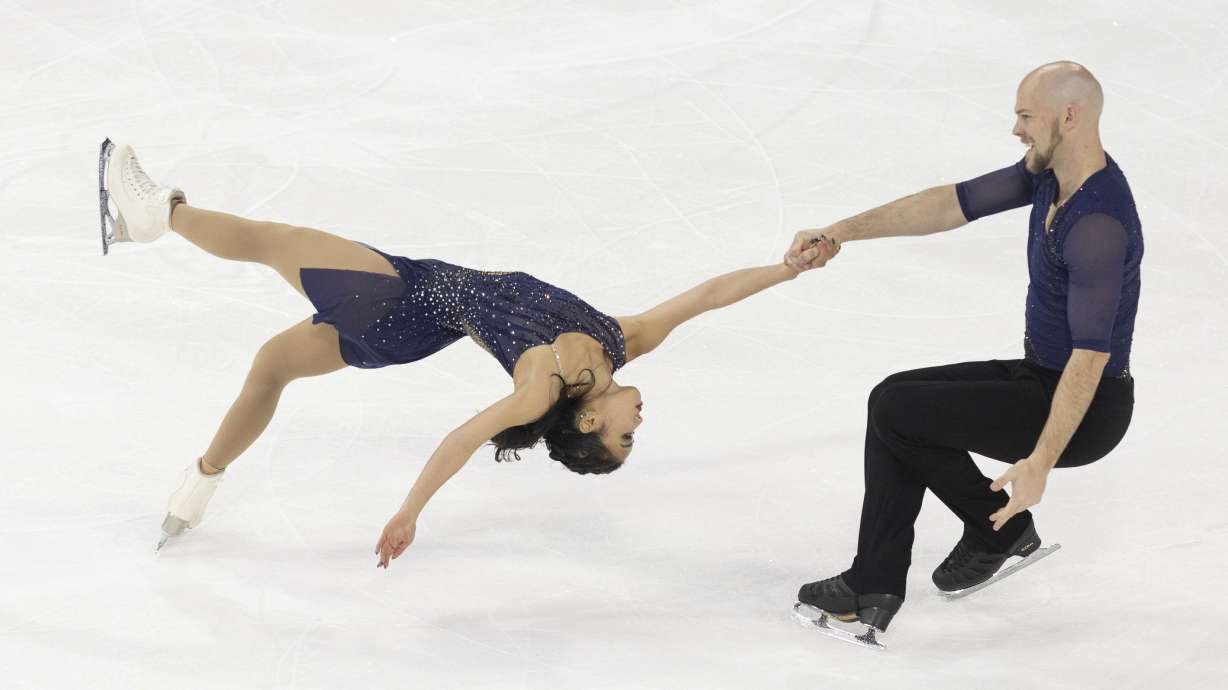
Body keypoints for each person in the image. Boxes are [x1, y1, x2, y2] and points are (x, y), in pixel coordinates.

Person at [97, 139, 839, 567]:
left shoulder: (541, 386)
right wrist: (786, 268)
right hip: (409, 329)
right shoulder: (623, 340)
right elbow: (708, 295)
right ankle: (195, 491)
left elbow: (460, 439)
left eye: (626, 434)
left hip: (399, 300)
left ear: (587, 424)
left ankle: (155, 212)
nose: (639, 420)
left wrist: (409, 512)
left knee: (271, 242)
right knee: (271, 367)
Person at [784, 61, 1141, 637]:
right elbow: (953, 203)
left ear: (1069, 117)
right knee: (894, 398)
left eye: (1027, 116)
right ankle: (962, 543)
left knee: (901, 414)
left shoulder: (1097, 223)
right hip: (1042, 376)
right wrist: (840, 232)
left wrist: (1040, 465)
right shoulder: (1050, 173)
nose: (1018, 129)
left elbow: (1091, 359)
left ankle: (882, 578)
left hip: (1087, 406)